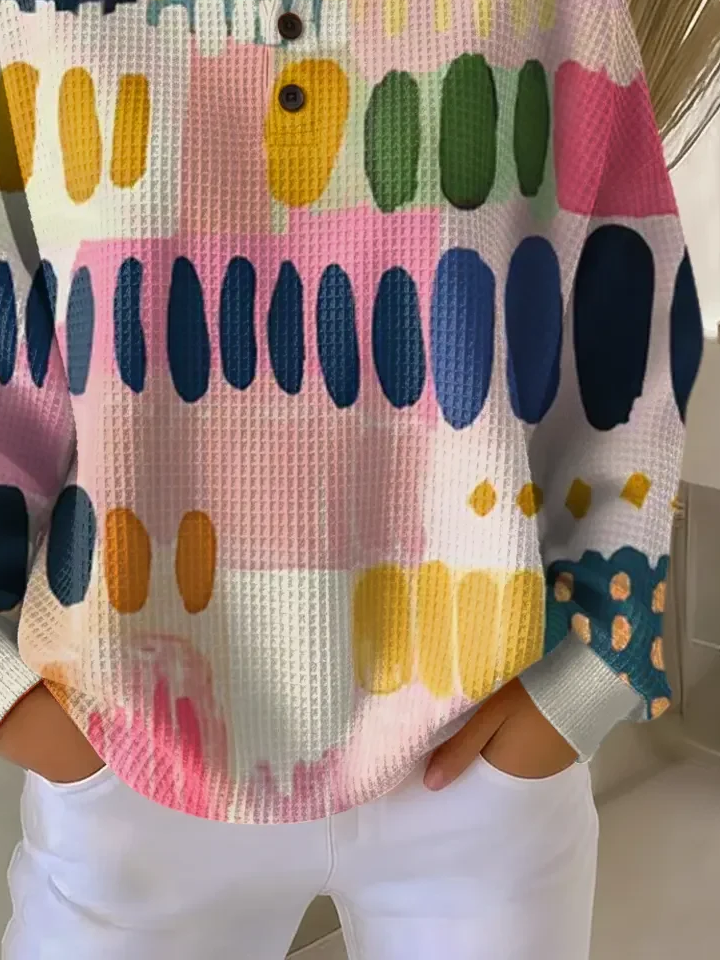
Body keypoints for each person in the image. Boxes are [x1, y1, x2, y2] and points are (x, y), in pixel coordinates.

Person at [0, 1, 707, 958]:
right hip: (127, 753)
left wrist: (583, 683)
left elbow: (626, 324)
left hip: (475, 764)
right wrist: (13, 701)